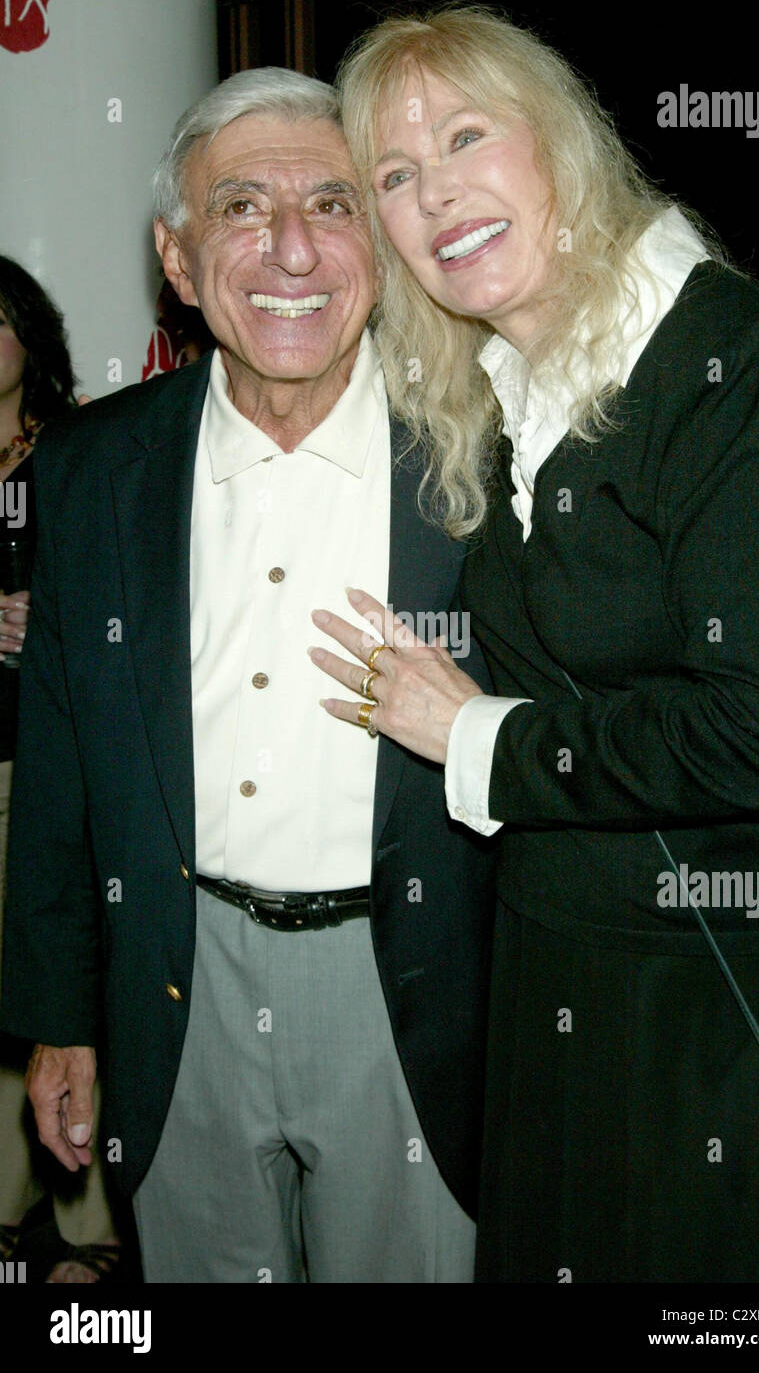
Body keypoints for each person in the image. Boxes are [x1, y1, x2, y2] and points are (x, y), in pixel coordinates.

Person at [306, 6, 759, 1282]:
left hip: (714, 998)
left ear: (559, 148)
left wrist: (472, 732)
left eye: (465, 137)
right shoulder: (493, 400)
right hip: (556, 980)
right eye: (392, 176)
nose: (434, 195)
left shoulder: (724, 354)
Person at [0, 68, 494, 1284]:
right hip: (177, 978)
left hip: (415, 991)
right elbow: (59, 768)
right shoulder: (90, 471)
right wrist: (61, 1020)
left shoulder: (485, 455)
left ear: (378, 247)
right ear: (176, 257)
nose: (289, 250)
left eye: (332, 203)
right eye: (239, 209)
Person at [0, 255, 122, 1282]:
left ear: (29, 340)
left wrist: (52, 626)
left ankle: (87, 1232)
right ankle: (6, 1211)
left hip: (48, 768)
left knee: (57, 986)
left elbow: (120, 609)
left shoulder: (79, 451)